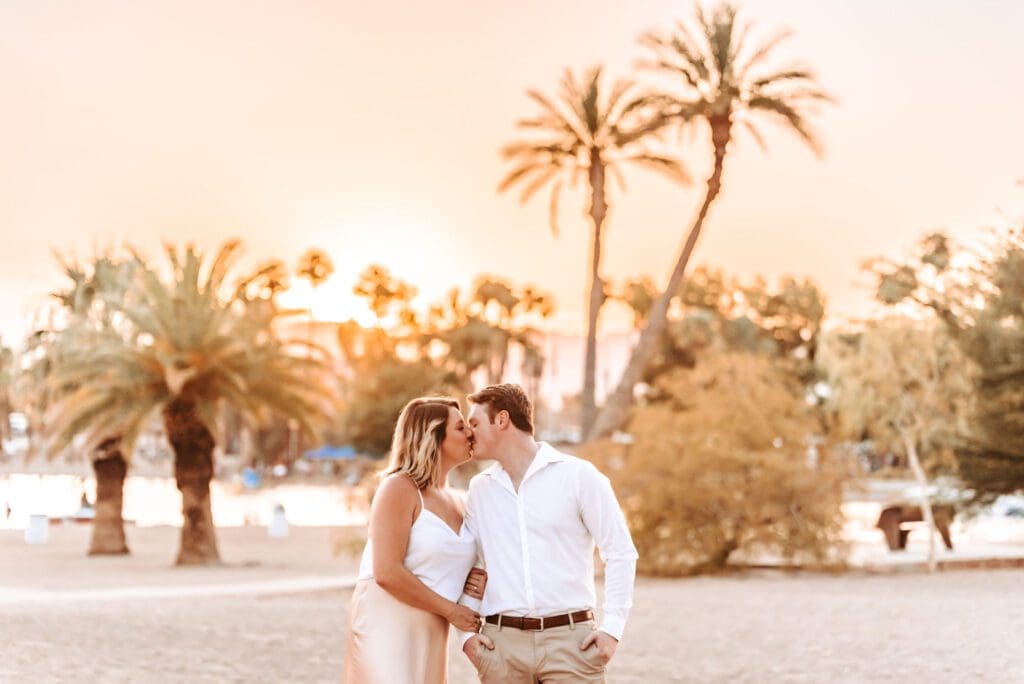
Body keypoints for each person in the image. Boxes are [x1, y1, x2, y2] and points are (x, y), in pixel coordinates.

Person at [459, 384, 638, 683]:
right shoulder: (480, 489)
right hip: (501, 647)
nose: (468, 433)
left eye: (474, 423)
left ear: (502, 420)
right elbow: (471, 566)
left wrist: (612, 630)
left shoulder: (580, 476)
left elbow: (620, 552)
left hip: (572, 644)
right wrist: (465, 635)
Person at [344, 397, 487, 683]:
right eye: (460, 427)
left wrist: (474, 580)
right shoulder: (399, 487)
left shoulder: (461, 500)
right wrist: (453, 611)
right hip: (387, 622)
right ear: (433, 436)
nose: (471, 433)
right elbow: (386, 572)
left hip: (434, 626)